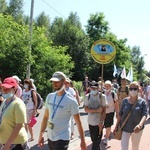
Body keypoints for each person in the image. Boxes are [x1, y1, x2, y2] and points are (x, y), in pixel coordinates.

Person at [38, 71, 86, 150]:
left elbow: (78, 122)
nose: (54, 83)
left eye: (57, 82)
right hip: (50, 136)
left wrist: (83, 141)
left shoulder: (71, 101)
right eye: (53, 82)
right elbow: (46, 117)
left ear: (64, 82)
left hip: (62, 138)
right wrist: (41, 134)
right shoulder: (50, 96)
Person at [114, 81, 147, 150]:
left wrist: (140, 125)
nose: (133, 90)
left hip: (137, 130)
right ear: (129, 90)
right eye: (131, 89)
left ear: (138, 89)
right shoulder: (125, 101)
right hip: (125, 128)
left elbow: (145, 115)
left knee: (135, 148)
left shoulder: (142, 102)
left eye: (135, 88)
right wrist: (116, 126)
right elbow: (120, 114)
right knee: (124, 148)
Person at [0, 77, 29, 150]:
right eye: (3, 88)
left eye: (7, 89)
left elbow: (19, 125)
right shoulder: (4, 102)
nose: (4, 91)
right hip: (5, 142)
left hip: (16, 144)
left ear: (14, 89)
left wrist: (8, 144)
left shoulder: (18, 103)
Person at [84, 81, 107, 150]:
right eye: (92, 88)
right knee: (93, 139)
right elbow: (86, 109)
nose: (93, 89)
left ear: (98, 88)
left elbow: (104, 110)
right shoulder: (87, 97)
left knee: (97, 141)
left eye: (95, 88)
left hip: (99, 122)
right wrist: (97, 110)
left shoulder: (102, 97)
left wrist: (102, 122)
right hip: (91, 121)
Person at [103, 80, 119, 145]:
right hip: (102, 113)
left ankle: (106, 138)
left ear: (111, 86)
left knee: (108, 126)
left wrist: (117, 113)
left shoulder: (113, 94)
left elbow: (116, 104)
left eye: (108, 86)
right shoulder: (101, 93)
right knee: (101, 125)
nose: (107, 87)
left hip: (110, 112)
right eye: (106, 86)